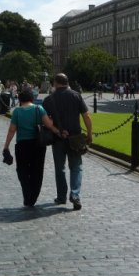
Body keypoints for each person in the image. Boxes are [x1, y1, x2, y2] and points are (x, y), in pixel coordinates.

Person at [3, 89, 61, 207]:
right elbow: (49, 125)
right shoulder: (38, 109)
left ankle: (27, 194)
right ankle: (33, 197)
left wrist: (6, 146)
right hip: (38, 145)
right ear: (32, 98)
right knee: (37, 171)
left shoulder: (17, 111)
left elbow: (12, 130)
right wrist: (59, 132)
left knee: (22, 171)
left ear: (19, 99)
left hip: (22, 145)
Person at [44, 73, 93, 211]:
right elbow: (86, 116)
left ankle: (61, 197)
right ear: (67, 82)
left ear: (55, 83)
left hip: (58, 138)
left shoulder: (49, 99)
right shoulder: (76, 95)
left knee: (60, 169)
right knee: (76, 167)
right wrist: (89, 134)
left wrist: (57, 131)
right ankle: (75, 195)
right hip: (75, 138)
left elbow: (45, 121)